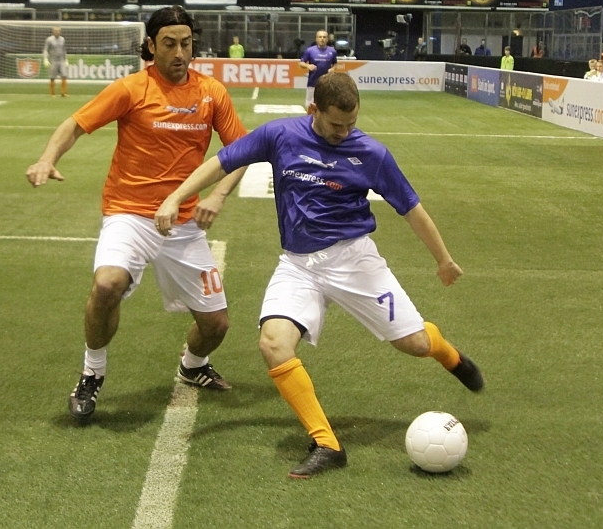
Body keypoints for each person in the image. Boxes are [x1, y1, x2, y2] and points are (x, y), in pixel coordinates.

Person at [153, 72, 484, 479]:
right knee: (273, 343)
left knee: (414, 344)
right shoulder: (279, 135)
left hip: (355, 262)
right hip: (298, 265)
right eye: (335, 124)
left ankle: (448, 355)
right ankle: (327, 443)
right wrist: (176, 197)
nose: (344, 132)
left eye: (351, 123)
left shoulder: (372, 153)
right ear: (314, 109)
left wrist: (443, 260)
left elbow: (412, 209)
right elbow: (222, 162)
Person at [25, 6, 249, 421]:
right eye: (169, 44)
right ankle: (92, 372)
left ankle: (192, 366)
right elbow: (74, 125)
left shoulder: (211, 92)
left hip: (182, 222)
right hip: (128, 214)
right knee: (106, 284)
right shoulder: (131, 88)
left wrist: (217, 196)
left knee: (216, 325)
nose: (179, 53)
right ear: (151, 45)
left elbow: (241, 152)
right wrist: (46, 158)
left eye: (186, 43)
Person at [299, 29, 337, 109]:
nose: (322, 39)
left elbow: (335, 64)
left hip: (327, 84)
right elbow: (301, 63)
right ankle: (310, 117)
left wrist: (333, 69)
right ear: (316, 39)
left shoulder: (332, 51)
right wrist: (308, 66)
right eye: (320, 37)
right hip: (312, 83)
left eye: (324, 37)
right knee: (310, 106)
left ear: (327, 39)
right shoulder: (310, 50)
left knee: (326, 106)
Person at [44, 26, 68, 97]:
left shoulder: (62, 39)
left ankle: (63, 92)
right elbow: (45, 50)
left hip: (61, 60)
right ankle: (52, 93)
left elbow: (64, 50)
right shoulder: (49, 40)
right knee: (52, 77)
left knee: (64, 76)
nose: (57, 32)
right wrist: (45, 59)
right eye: (56, 31)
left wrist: (66, 59)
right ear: (53, 32)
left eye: (58, 31)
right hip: (53, 60)